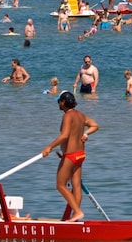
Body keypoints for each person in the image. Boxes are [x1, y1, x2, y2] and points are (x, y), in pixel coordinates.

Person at [42, 91, 99, 222]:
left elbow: (65, 135)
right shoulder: (80, 115)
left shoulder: (68, 115)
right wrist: (86, 134)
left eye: (59, 101)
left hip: (71, 156)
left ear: (63, 102)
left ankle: (78, 212)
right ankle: (75, 216)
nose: (58, 104)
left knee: (60, 185)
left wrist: (49, 147)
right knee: (76, 185)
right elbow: (95, 125)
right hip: (80, 155)